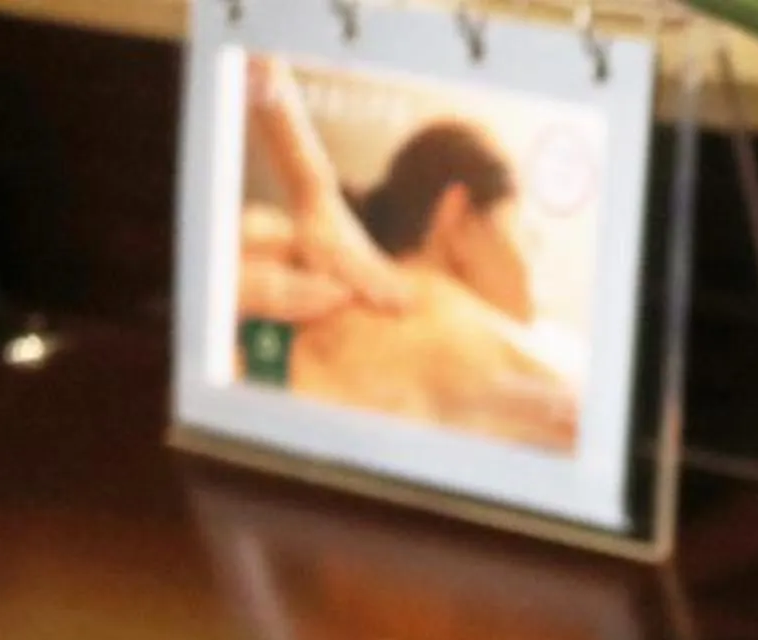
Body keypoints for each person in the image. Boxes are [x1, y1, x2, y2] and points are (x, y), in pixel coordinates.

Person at [235, 59, 580, 453]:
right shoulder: (459, 333)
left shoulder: (270, 258)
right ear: (458, 217)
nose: (536, 272)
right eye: (527, 236)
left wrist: (310, 188)